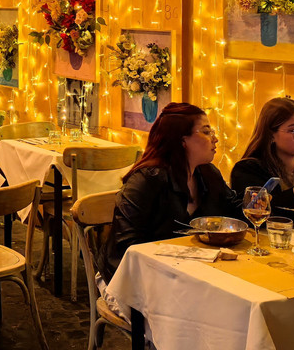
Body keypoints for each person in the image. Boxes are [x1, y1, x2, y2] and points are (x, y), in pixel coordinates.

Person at [102, 103, 241, 282]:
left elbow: (234, 211)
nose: (215, 139)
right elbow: (126, 247)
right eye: (206, 132)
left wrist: (259, 204)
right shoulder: (147, 180)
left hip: (190, 272)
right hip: (135, 276)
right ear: (182, 141)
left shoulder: (208, 174)